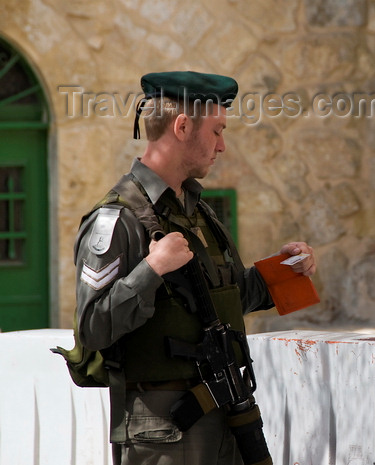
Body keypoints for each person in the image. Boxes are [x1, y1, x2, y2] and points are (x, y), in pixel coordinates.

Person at [74, 71, 316, 464]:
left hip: (225, 414)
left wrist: (288, 268)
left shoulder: (198, 213)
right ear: (183, 127)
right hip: (163, 430)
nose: (223, 145)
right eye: (217, 131)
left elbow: (228, 297)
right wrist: (152, 269)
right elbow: (93, 327)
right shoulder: (117, 219)